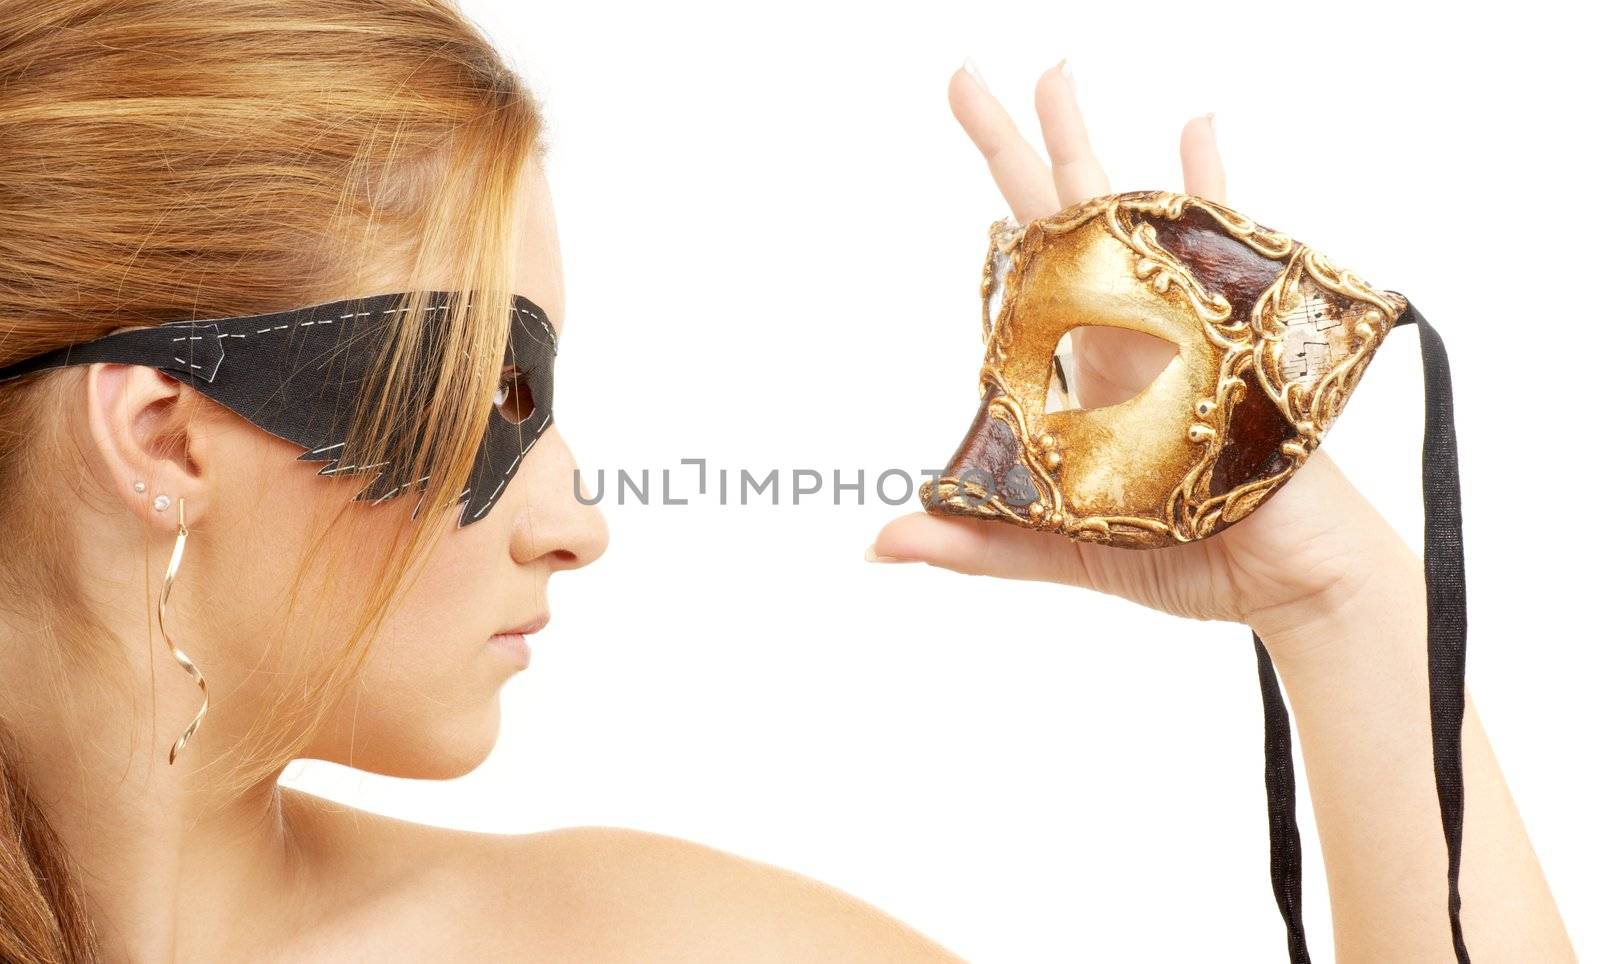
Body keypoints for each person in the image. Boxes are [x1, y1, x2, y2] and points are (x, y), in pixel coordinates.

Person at [0, 3, 1573, 961]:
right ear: (165, 437)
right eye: (488, 393)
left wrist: (1346, 608)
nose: (576, 524)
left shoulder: (645, 953)